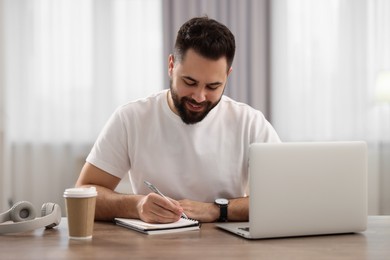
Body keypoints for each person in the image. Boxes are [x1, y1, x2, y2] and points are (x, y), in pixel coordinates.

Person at [75, 16, 280, 224]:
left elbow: (281, 199)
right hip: (154, 248)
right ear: (172, 66)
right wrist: (136, 206)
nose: (199, 97)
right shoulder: (131, 118)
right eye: (189, 82)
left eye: (212, 86)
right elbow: (83, 193)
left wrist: (217, 210)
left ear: (227, 76)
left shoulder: (250, 123)